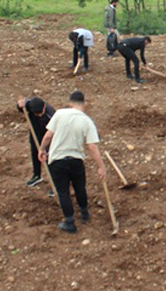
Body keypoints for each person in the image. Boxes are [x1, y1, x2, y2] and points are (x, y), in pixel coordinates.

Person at [39, 91, 107, 234]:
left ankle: (69, 222)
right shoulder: (87, 121)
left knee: (63, 191)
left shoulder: (59, 114)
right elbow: (92, 146)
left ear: (70, 103)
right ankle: (84, 213)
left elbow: (48, 136)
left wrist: (41, 149)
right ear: (85, 104)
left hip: (57, 160)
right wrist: (101, 167)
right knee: (80, 187)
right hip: (76, 160)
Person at [17, 97, 56, 187]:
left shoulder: (51, 114)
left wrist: (45, 146)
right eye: (36, 113)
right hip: (35, 135)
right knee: (35, 155)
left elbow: (54, 131)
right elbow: (21, 108)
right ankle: (37, 175)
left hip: (48, 139)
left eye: (40, 113)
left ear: (44, 106)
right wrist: (20, 105)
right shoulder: (29, 105)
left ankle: (55, 182)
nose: (39, 115)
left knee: (50, 159)